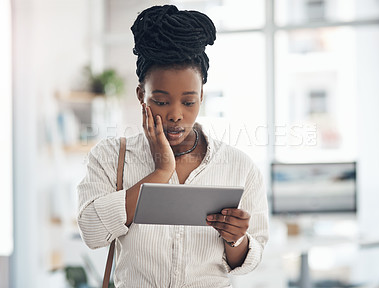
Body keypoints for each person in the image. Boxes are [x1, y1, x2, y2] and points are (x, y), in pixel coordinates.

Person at [77, 5, 269, 288]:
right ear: (142, 94)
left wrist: (234, 238)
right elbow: (92, 232)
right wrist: (161, 170)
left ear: (202, 95)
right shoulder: (110, 157)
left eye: (189, 102)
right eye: (162, 101)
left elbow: (249, 260)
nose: (176, 115)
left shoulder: (238, 166)